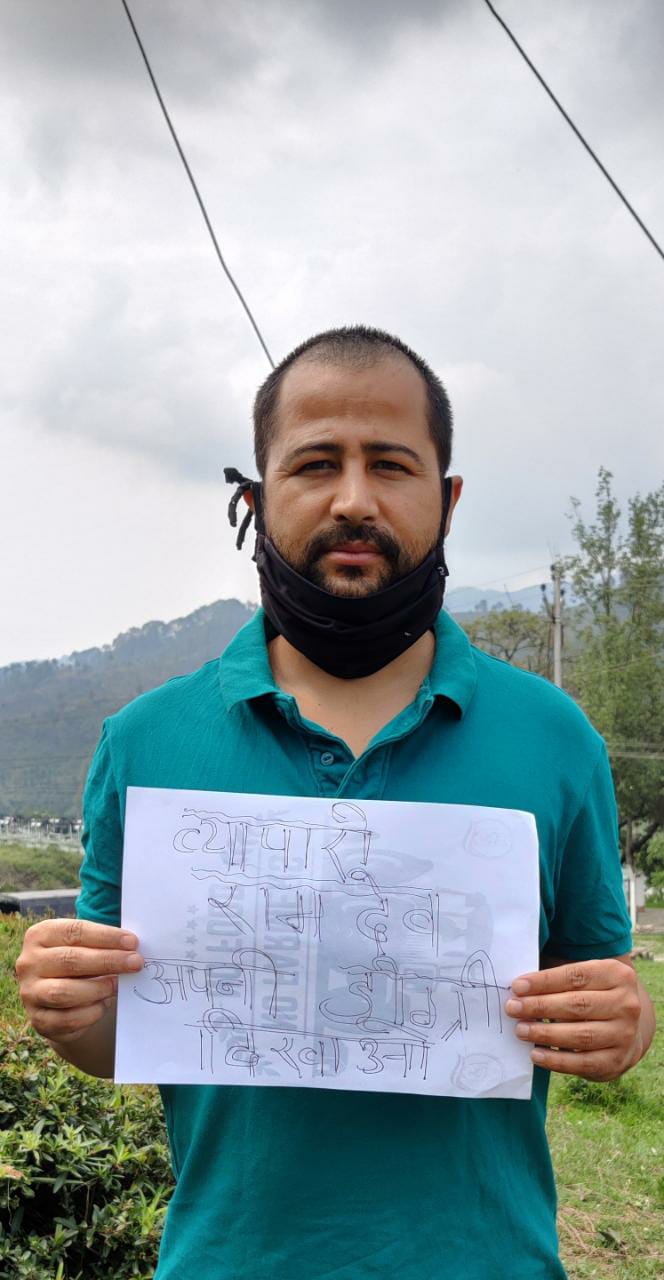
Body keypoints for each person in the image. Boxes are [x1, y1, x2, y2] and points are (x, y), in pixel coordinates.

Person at [16, 326, 655, 1280]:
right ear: (255, 498)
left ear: (447, 499)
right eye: (316, 463)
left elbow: (595, 992)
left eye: (390, 464)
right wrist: (72, 1016)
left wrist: (626, 1027)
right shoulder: (144, 741)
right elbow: (126, 1038)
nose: (354, 498)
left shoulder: (555, 738)